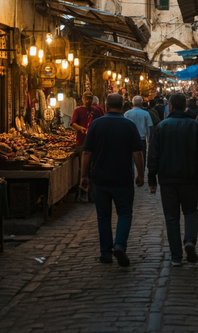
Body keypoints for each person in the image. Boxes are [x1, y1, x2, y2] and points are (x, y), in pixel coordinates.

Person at [80, 93, 144, 266]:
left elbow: (87, 152)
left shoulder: (95, 124)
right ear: (123, 106)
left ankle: (106, 253)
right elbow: (137, 152)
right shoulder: (129, 125)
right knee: (124, 213)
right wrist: (140, 174)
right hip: (122, 177)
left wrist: (84, 175)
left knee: (103, 216)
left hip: (99, 178)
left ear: (106, 106)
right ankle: (120, 245)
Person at [148, 93, 198, 266]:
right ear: (185, 107)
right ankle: (189, 240)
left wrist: (152, 179)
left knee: (171, 217)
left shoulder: (161, 126)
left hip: (167, 179)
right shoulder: (194, 126)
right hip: (189, 177)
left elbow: (153, 156)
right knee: (190, 211)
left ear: (171, 107)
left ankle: (176, 256)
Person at [70, 91, 102, 159]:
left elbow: (100, 124)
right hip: (81, 141)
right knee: (83, 160)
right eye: (86, 98)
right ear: (83, 99)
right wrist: (80, 128)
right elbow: (73, 123)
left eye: (90, 99)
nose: (88, 101)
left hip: (94, 141)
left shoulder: (96, 111)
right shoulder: (78, 110)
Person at [124, 96, 153, 166]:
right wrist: (149, 138)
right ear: (141, 103)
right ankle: (141, 172)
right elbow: (149, 126)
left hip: (129, 139)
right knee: (142, 158)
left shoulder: (127, 113)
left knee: (129, 158)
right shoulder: (146, 114)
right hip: (141, 138)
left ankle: (132, 173)